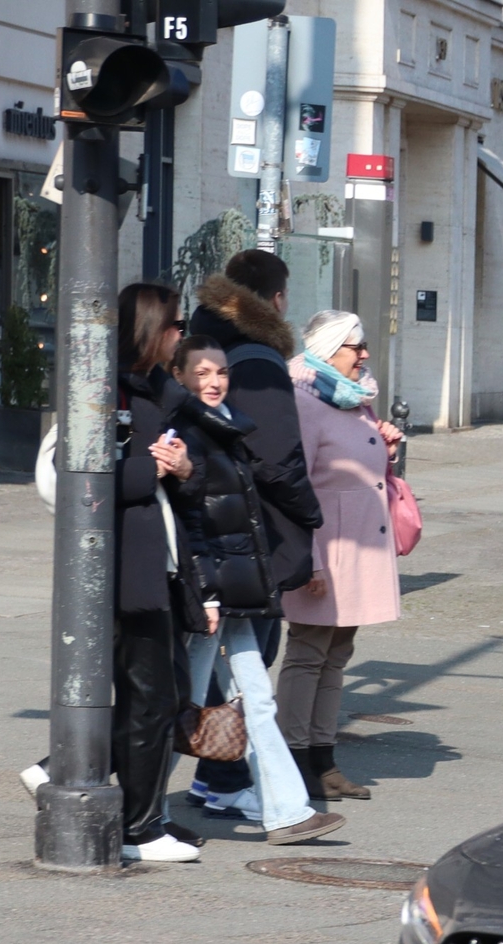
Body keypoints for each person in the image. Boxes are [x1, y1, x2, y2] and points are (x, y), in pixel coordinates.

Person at [169, 336, 342, 845]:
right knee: (181, 708)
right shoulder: (187, 435)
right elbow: (192, 526)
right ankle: (130, 808)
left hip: (235, 592)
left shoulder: (226, 428)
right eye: (200, 373)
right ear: (179, 377)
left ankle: (287, 811)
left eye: (220, 372)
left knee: (255, 700)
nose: (213, 381)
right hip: (212, 597)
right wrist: (206, 594)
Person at [187, 250, 325, 815]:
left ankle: (229, 783)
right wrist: (310, 514)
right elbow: (277, 456)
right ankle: (224, 782)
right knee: (235, 667)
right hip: (249, 535)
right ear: (277, 299)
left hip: (213, 527)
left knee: (222, 668)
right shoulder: (260, 362)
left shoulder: (202, 346)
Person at [282, 312, 405, 804]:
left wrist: (387, 448)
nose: (365, 354)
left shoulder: (354, 398)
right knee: (308, 653)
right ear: (330, 350)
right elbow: (298, 485)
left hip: (359, 548)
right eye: (358, 346)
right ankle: (292, 761)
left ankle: (323, 759)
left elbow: (357, 468)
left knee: (337, 654)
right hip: (328, 552)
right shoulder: (306, 400)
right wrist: (309, 559)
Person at [109, 283, 201, 862]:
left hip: (160, 562)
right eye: (176, 326)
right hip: (126, 563)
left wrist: (184, 466)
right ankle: (137, 828)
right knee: (148, 698)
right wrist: (154, 468)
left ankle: (145, 816)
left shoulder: (160, 390)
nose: (182, 337)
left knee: (165, 694)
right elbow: (88, 478)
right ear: (151, 329)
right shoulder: (111, 388)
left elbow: (195, 457)